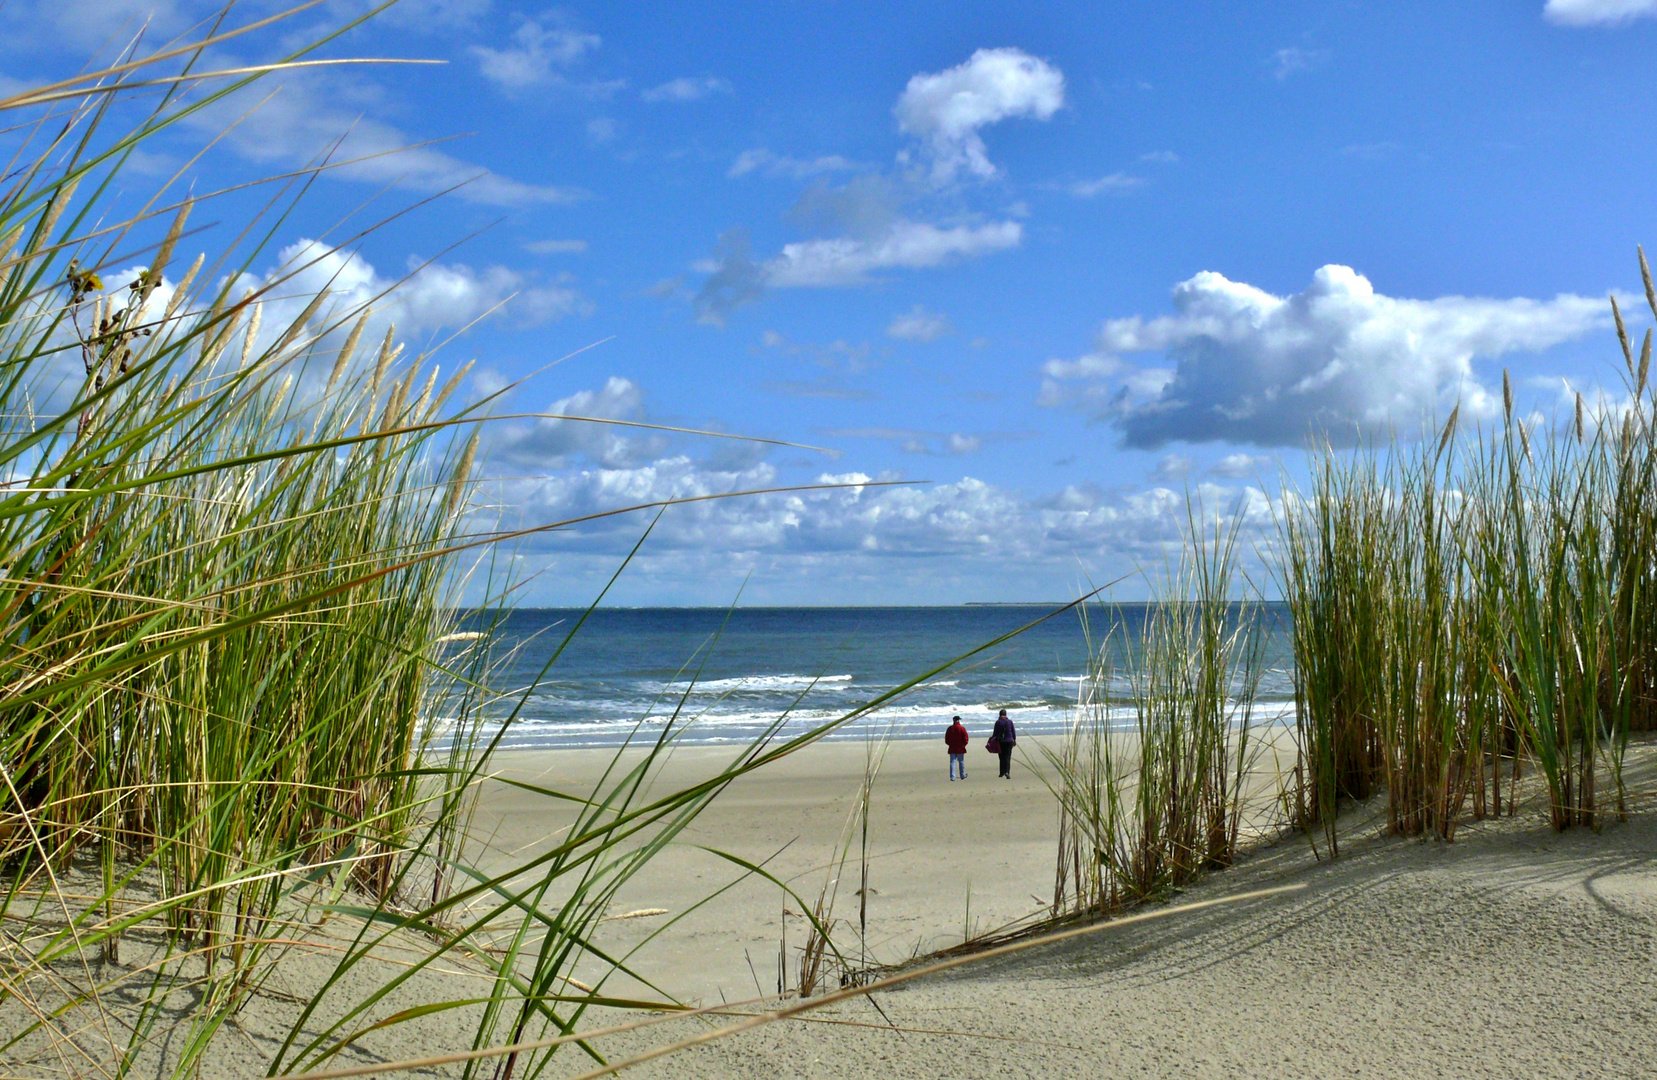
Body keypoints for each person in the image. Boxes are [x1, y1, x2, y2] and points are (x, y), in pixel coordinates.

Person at [992, 708, 1016, 779]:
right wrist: (1014, 740)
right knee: (1007, 757)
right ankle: (1007, 772)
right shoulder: (1010, 722)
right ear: (1005, 714)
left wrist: (993, 740)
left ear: (999, 715)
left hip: (1000, 741)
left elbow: (995, 733)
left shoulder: (998, 722)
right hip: (1009, 741)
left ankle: (1001, 772)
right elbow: (1013, 731)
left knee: (1001, 757)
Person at [945, 716, 969, 780]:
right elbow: (966, 739)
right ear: (958, 721)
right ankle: (962, 775)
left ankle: (953, 777)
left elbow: (946, 740)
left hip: (952, 747)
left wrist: (950, 744)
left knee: (952, 762)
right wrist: (964, 745)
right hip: (960, 747)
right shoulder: (962, 728)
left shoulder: (950, 728)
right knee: (961, 761)